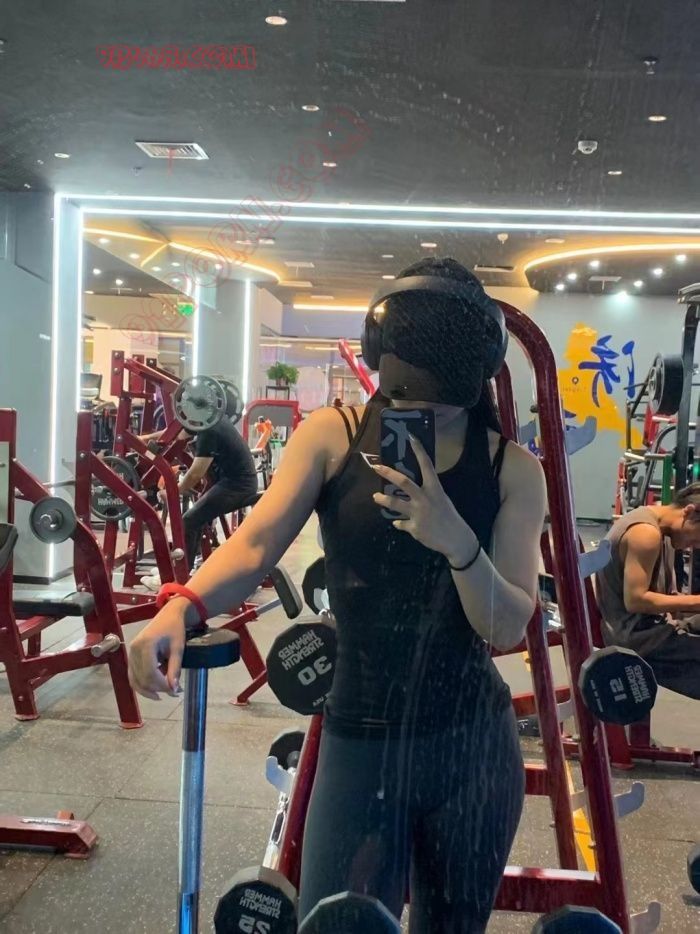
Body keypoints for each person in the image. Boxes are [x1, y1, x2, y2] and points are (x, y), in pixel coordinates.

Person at [128, 256, 546, 932]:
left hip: (470, 748)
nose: (423, 406)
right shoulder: (333, 435)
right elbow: (256, 543)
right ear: (385, 358)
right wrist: (182, 604)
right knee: (336, 923)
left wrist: (455, 541)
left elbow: (505, 626)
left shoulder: (511, 470)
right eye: (411, 383)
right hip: (359, 741)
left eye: (441, 391)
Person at [595, 485, 700, 700]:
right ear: (689, 512)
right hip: (639, 641)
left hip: (652, 631)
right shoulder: (645, 534)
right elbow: (636, 600)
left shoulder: (663, 532)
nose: (697, 546)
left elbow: (666, 599)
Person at [138, 417, 258, 582]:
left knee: (188, 521)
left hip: (237, 486)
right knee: (197, 518)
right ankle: (182, 569)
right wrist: (146, 438)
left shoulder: (208, 432)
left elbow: (196, 473)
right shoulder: (209, 419)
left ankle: (178, 577)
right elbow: (177, 433)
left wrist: (173, 491)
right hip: (231, 482)